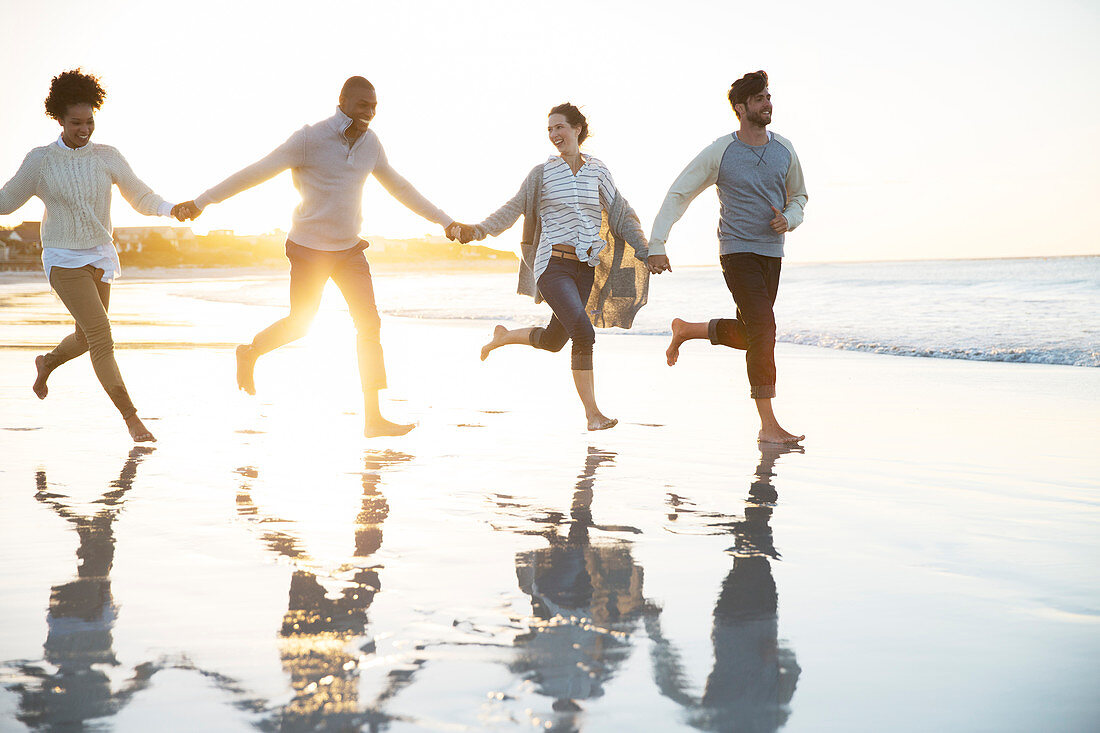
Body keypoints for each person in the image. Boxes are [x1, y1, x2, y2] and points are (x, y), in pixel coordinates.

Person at [173, 76, 458, 437]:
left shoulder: (371, 144)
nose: (369, 112)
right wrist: (201, 202)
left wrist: (446, 222)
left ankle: (373, 417)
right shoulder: (309, 138)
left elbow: (401, 187)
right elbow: (256, 172)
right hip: (308, 248)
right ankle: (250, 352)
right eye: (362, 105)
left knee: (369, 324)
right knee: (301, 323)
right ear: (342, 101)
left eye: (373, 106)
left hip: (349, 250)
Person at [454, 103, 650, 430]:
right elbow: (513, 208)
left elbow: (621, 214)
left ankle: (502, 337)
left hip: (584, 269)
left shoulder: (598, 171)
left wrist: (645, 249)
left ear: (577, 129)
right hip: (552, 267)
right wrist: (477, 231)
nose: (554, 135)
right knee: (584, 333)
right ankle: (593, 415)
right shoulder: (541, 174)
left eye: (559, 127)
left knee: (554, 340)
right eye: (550, 130)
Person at [0, 69, 170, 442]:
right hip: (62, 259)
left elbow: (140, 195)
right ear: (58, 119)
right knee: (102, 335)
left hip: (100, 257)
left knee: (86, 336)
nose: (84, 129)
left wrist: (171, 209)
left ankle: (47, 363)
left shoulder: (107, 156)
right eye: (75, 122)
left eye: (90, 121)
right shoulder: (41, 161)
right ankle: (132, 420)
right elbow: (6, 202)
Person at [649, 70, 808, 444]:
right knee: (764, 330)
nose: (767, 103)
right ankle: (768, 426)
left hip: (772, 253)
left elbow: (799, 196)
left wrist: (791, 219)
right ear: (740, 109)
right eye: (759, 99)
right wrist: (658, 243)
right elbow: (679, 193)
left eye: (769, 96)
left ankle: (687, 330)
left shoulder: (784, 149)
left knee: (754, 332)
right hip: (736, 252)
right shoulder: (721, 152)